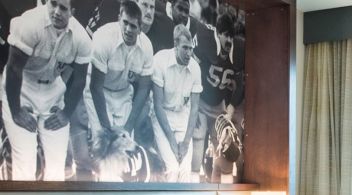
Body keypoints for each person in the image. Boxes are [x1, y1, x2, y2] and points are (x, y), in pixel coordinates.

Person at [2, 0, 92, 181]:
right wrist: (16, 110)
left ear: (72, 12)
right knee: (25, 166)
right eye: (53, 4)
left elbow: (80, 80)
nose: (57, 12)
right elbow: (13, 70)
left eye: (63, 8)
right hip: (22, 90)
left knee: (57, 171)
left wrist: (66, 113)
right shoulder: (30, 23)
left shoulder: (81, 37)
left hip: (53, 92)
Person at [83, 1, 153, 140]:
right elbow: (95, 87)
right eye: (125, 23)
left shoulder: (146, 46)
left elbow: (144, 89)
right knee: (102, 141)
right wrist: (107, 127)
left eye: (133, 26)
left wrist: (128, 126)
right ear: (118, 19)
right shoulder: (103, 37)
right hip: (99, 91)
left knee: (124, 143)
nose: (128, 29)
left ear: (140, 29)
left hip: (123, 94)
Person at [191, 12, 243, 182]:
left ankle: (220, 186)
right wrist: (194, 102)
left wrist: (230, 108)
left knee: (223, 147)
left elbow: (240, 84)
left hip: (219, 105)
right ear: (218, 34)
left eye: (231, 36)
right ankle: (193, 182)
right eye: (225, 35)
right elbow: (193, 68)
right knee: (198, 140)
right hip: (202, 101)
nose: (229, 40)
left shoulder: (239, 50)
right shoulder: (206, 40)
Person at [151, 23, 201, 182]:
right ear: (175, 45)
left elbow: (194, 108)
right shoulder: (160, 59)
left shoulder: (195, 67)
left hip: (182, 117)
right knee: (172, 168)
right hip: (162, 115)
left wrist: (186, 141)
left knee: (185, 170)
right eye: (185, 48)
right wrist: (173, 142)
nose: (189, 53)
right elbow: (157, 105)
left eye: (191, 48)